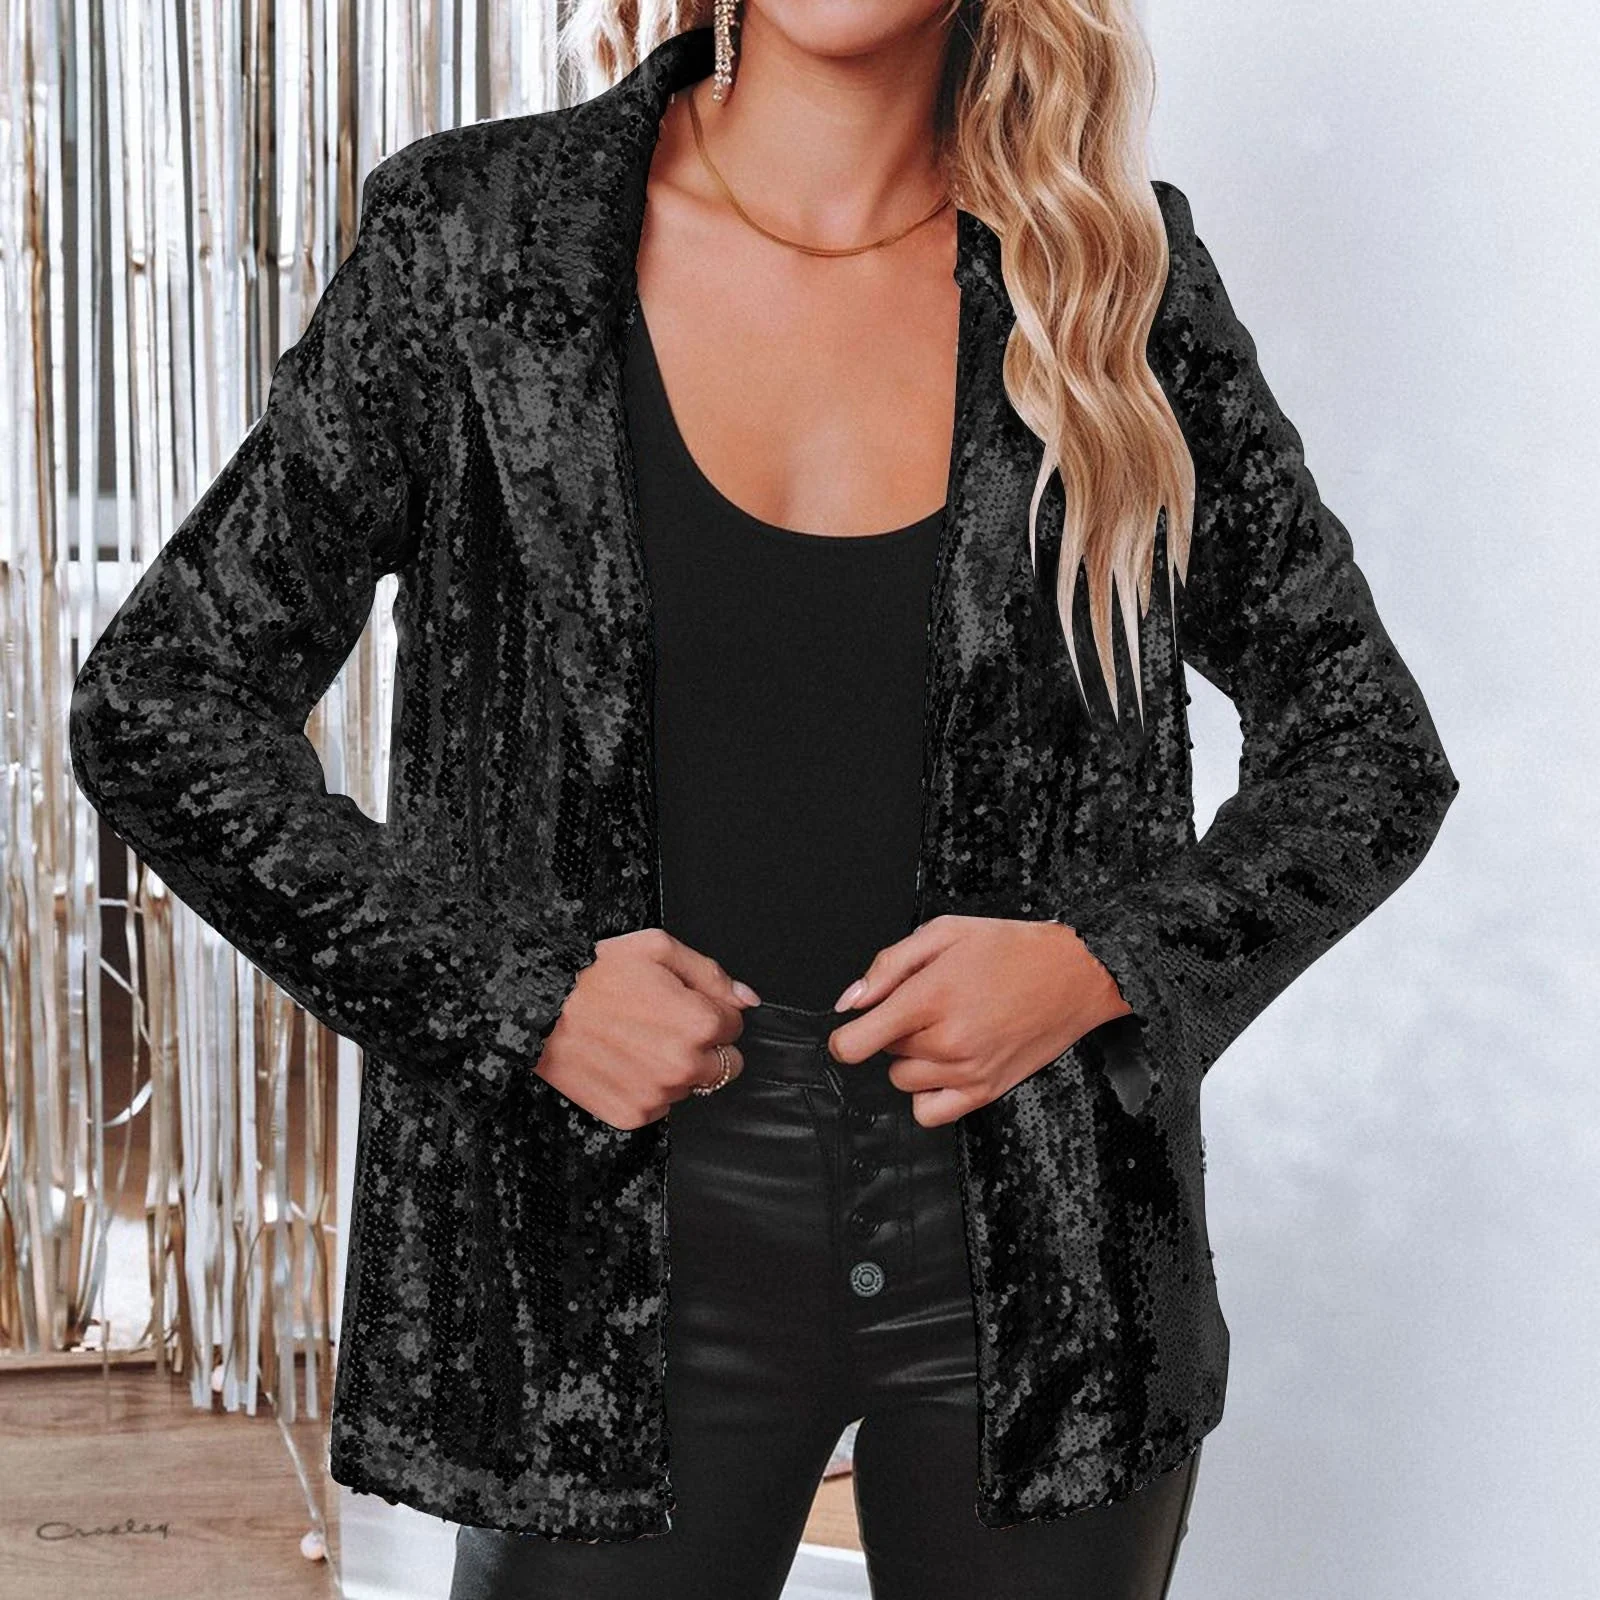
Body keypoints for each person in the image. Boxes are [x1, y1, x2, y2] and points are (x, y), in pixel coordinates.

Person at [68, 3, 1458, 1598]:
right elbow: (162, 703)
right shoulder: (481, 244)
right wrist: (517, 998)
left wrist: (1102, 968)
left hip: (1037, 1249)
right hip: (612, 1245)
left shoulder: (1111, 275)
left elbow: (1367, 750)